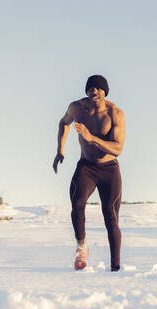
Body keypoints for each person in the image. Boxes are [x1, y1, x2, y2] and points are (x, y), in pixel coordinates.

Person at [53, 75, 126, 272]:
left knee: (110, 216)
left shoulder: (115, 113)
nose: (94, 92)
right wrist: (60, 149)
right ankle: (81, 247)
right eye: (91, 89)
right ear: (86, 92)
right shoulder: (76, 108)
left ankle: (115, 267)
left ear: (105, 92)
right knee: (77, 204)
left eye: (99, 89)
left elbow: (118, 148)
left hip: (109, 169)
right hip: (86, 166)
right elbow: (63, 122)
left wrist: (90, 137)